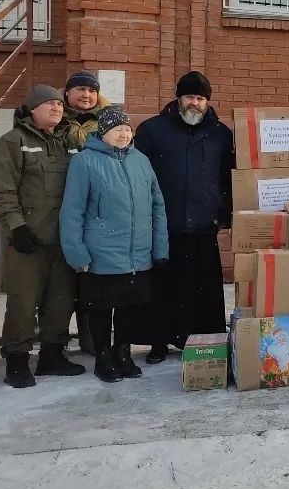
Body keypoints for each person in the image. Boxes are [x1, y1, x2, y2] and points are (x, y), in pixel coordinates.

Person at [60, 107, 168, 383]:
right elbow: (72, 211)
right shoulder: (84, 161)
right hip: (101, 253)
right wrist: (77, 253)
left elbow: (157, 205)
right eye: (116, 129)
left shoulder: (141, 160)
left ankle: (123, 352)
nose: (123, 133)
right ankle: (103, 356)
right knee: (100, 307)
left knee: (129, 307)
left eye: (126, 128)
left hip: (137, 252)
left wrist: (160, 248)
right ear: (103, 132)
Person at [132, 71, 234, 363]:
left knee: (204, 291)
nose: (195, 104)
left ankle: (205, 342)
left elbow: (228, 178)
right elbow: (140, 177)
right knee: (163, 289)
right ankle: (159, 342)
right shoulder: (153, 130)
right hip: (166, 224)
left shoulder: (220, 134)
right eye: (190, 97)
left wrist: (225, 213)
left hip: (204, 225)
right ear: (179, 98)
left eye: (201, 98)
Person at [0, 85, 84, 387]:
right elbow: (2, 190)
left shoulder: (70, 142)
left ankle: (52, 356)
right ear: (32, 109)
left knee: (60, 300)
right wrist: (17, 227)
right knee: (23, 301)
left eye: (59, 103)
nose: (57, 108)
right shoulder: (12, 142)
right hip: (27, 240)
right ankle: (17, 360)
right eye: (49, 103)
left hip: (63, 239)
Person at [62, 70, 110, 354]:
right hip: (62, 203)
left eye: (91, 91)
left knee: (91, 278)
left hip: (95, 210)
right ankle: (54, 341)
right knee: (62, 283)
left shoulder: (106, 122)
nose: (86, 95)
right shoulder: (56, 119)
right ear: (67, 93)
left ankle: (91, 338)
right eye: (80, 89)